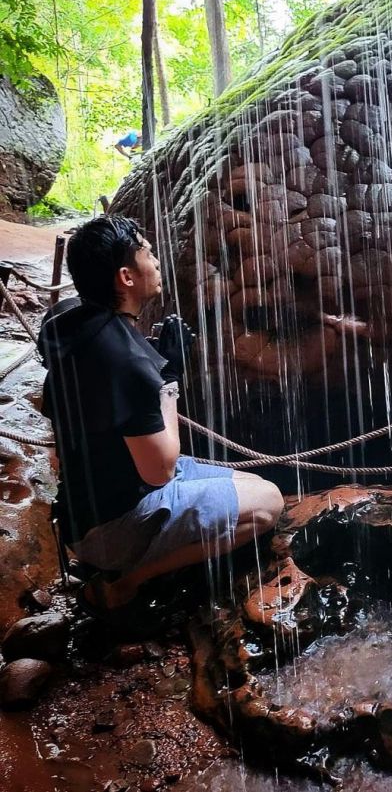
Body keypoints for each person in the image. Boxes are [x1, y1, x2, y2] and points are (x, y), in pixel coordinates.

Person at [37, 215, 283, 616]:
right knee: (268, 503)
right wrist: (168, 379)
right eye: (147, 253)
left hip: (89, 501)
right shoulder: (125, 360)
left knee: (251, 480)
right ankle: (129, 580)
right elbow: (161, 471)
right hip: (112, 524)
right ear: (126, 277)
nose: (155, 262)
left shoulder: (75, 324)